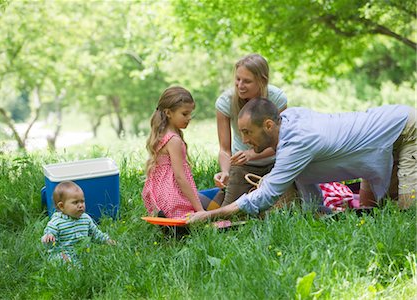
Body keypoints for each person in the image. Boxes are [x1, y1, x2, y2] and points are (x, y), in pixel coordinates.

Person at [188, 98, 416, 222]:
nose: (244, 140)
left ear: (268, 125)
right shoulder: (287, 121)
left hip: (405, 128)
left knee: (409, 212)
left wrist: (209, 215)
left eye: (247, 132)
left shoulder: (297, 143)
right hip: (379, 141)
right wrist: (319, 214)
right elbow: (307, 180)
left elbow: (265, 196)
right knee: (373, 211)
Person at [214, 53, 288, 206]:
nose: (240, 85)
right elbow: (224, 149)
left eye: (247, 81)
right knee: (230, 211)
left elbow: (283, 142)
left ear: (262, 81)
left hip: (276, 163)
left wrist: (251, 154)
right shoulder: (225, 102)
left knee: (283, 208)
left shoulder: (277, 99)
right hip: (242, 167)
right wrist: (226, 171)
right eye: (237, 79)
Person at [142, 86, 210, 219]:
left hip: (160, 198)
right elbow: (180, 177)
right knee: (211, 207)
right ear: (168, 113)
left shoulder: (162, 135)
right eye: (185, 114)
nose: (189, 118)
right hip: (172, 199)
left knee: (211, 197)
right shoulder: (174, 140)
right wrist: (200, 210)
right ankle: (176, 220)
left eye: (190, 113)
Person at [41, 181, 116, 264]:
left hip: (81, 252)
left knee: (95, 260)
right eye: (75, 202)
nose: (81, 205)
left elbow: (95, 233)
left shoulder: (86, 219)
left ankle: (80, 265)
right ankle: (71, 267)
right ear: (61, 206)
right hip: (63, 253)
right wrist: (48, 239)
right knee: (62, 260)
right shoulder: (55, 223)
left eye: (82, 201)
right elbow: (49, 242)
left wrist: (107, 240)